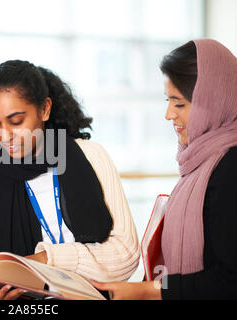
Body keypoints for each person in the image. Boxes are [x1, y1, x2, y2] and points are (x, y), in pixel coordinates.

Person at [0, 60, 140, 300]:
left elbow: (126, 255)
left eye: (16, 121)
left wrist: (45, 260)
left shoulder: (91, 156)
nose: (5, 135)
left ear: (44, 110)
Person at [93, 39, 237, 299]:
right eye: (167, 100)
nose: (168, 114)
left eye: (178, 103)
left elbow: (230, 281)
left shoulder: (230, 168)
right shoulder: (199, 162)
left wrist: (149, 292)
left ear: (213, 101)